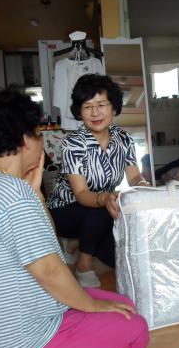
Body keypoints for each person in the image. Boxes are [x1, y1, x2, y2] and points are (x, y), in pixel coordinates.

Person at [0, 90, 149, 348]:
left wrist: (38, 197)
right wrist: (91, 306)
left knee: (123, 304)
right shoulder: (13, 196)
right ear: (25, 139)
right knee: (135, 328)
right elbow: (50, 270)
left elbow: (48, 247)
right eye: (39, 134)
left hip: (7, 333)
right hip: (23, 345)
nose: (43, 144)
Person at [47, 74, 150, 287]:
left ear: (113, 108)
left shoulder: (123, 139)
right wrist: (104, 198)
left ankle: (77, 244)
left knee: (116, 257)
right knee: (103, 209)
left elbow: (134, 176)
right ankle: (83, 263)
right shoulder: (73, 144)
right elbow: (82, 194)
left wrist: (142, 186)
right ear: (79, 111)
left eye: (101, 105)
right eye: (87, 106)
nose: (95, 113)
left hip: (102, 211)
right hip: (66, 210)